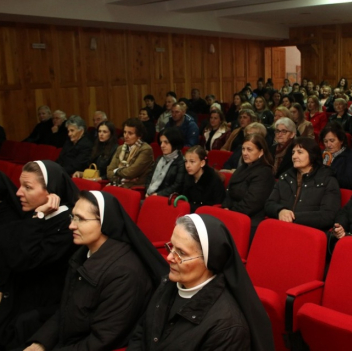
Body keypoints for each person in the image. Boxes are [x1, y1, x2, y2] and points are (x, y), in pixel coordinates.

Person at [24, 190, 168, 350]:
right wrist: (40, 343)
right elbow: (66, 310)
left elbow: (102, 340)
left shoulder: (124, 274)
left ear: (105, 222)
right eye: (73, 217)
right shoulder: (83, 253)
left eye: (81, 219)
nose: (71, 225)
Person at [127, 213, 275, 350]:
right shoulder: (167, 283)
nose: (170, 257)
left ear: (209, 261)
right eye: (171, 247)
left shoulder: (227, 327)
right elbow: (141, 334)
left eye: (181, 253)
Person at [0, 161, 79, 349]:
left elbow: (22, 260)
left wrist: (39, 217)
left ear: (51, 192)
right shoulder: (34, 214)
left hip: (41, 309)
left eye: (27, 187)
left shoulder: (69, 228)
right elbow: (6, 250)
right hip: (18, 294)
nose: (18, 192)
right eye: (20, 185)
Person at [265, 137, 340, 230]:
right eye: (293, 153)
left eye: (300, 152)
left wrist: (293, 217)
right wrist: (280, 211)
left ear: (312, 155)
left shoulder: (327, 180)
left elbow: (328, 215)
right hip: (282, 228)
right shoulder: (285, 177)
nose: (294, 156)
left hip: (308, 233)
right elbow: (269, 204)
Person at [222, 133, 275, 239]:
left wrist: (230, 213)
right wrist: (226, 208)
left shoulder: (264, 172)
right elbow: (229, 191)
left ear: (261, 152)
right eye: (243, 149)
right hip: (234, 214)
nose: (245, 153)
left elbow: (252, 203)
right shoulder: (242, 168)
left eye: (249, 150)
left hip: (250, 221)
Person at [107, 118, 154, 188]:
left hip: (135, 188)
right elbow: (109, 171)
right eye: (125, 132)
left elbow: (130, 173)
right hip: (119, 184)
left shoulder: (146, 149)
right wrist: (120, 179)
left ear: (139, 136)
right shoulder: (120, 148)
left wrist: (116, 171)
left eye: (130, 133)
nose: (126, 136)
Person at [145, 128, 186, 198]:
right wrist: (147, 191)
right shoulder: (159, 159)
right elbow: (149, 177)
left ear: (174, 143)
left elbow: (177, 186)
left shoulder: (181, 162)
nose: (162, 146)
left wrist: (157, 194)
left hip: (166, 199)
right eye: (161, 142)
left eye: (166, 142)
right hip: (151, 196)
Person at [183, 146, 226, 211]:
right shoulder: (187, 177)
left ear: (202, 163)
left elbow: (216, 207)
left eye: (192, 162)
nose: (187, 165)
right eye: (186, 161)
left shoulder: (213, 180)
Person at [321, 124, 352, 190]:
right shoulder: (320, 154)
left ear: (341, 140)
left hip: (337, 191)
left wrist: (328, 172)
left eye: (332, 141)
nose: (328, 145)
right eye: (325, 141)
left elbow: (348, 182)